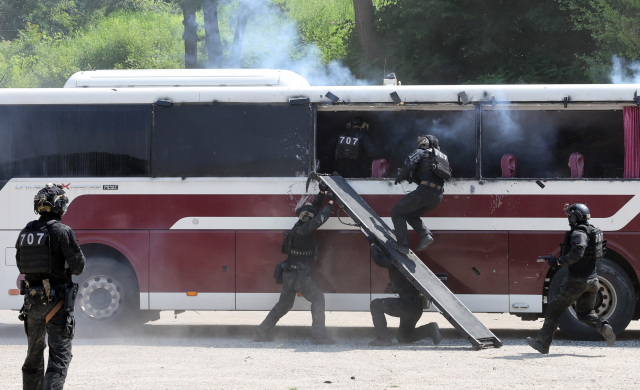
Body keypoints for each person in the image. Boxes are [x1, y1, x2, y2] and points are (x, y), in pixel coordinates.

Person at [16, 183, 85, 390]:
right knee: (59, 358)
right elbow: (79, 267)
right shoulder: (62, 231)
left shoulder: (26, 231)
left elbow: (21, 264)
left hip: (32, 302)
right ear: (60, 206)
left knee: (33, 357)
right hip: (58, 302)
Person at [527, 203, 616, 354]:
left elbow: (578, 252)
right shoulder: (591, 231)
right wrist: (554, 259)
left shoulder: (578, 233)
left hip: (577, 281)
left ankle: (542, 343)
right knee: (584, 314)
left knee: (553, 310)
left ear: (576, 217)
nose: (569, 218)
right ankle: (603, 326)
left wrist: (559, 261)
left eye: (570, 216)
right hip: (593, 281)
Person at [254, 184, 337, 344]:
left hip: (289, 273)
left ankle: (261, 333)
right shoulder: (304, 231)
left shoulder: (298, 227)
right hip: (299, 275)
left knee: (284, 304)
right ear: (309, 218)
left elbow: (313, 209)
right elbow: (320, 218)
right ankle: (319, 337)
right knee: (318, 299)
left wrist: (322, 193)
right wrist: (331, 202)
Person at [367, 237, 442, 346]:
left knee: (375, 305)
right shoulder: (407, 259)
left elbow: (378, 259)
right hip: (416, 307)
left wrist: (373, 245)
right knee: (404, 337)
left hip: (407, 306)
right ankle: (429, 329)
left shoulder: (396, 261)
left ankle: (383, 339)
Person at [391, 135, 452, 254]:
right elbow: (429, 175)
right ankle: (425, 235)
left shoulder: (421, 151)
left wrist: (400, 177)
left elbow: (409, 163)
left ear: (425, 142)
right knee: (410, 214)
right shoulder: (440, 157)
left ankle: (402, 245)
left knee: (397, 212)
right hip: (437, 196)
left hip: (425, 192)